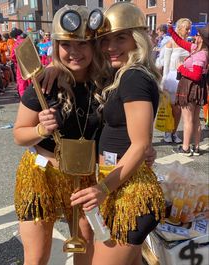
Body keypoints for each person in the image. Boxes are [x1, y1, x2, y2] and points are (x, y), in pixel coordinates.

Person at [13, 5, 110, 265]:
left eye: (83, 44)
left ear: (94, 46)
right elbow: (19, 135)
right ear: (56, 46)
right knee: (36, 257)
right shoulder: (44, 82)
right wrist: (40, 129)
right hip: (41, 175)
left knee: (84, 247)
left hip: (84, 177)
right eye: (67, 45)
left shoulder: (106, 83)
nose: (75, 52)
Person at [69, 3, 165, 265]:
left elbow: (140, 144)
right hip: (120, 187)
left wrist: (101, 188)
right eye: (106, 40)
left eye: (120, 38)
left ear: (137, 39)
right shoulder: (120, 75)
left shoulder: (134, 77)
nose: (111, 46)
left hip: (129, 194)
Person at [167, 21, 209, 156]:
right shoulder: (195, 48)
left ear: (202, 39)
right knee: (195, 119)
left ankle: (185, 148)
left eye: (197, 35)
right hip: (195, 88)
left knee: (188, 120)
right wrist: (170, 28)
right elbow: (179, 41)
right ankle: (196, 148)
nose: (194, 36)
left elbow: (196, 76)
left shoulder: (201, 54)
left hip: (191, 87)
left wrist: (181, 68)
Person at [162, 18, 192, 144]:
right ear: (179, 28)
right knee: (173, 108)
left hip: (185, 78)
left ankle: (174, 133)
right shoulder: (170, 42)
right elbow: (166, 63)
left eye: (190, 28)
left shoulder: (190, 43)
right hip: (172, 79)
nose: (189, 31)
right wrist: (163, 81)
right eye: (187, 28)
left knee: (180, 109)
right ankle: (167, 132)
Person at [11, 28, 30, 98]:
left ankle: (24, 99)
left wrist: (16, 62)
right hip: (30, 63)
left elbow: (12, 56)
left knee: (22, 82)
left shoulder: (16, 43)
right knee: (30, 81)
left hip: (20, 65)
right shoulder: (28, 41)